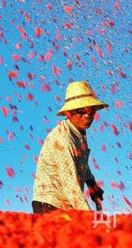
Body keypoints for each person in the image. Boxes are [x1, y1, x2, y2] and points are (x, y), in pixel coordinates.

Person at [32, 81, 107, 213]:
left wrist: (91, 183)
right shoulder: (62, 139)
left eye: (91, 110)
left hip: (65, 204)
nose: (88, 115)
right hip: (50, 204)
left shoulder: (79, 133)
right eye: (81, 111)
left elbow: (80, 160)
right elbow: (70, 186)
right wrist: (90, 220)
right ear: (68, 113)